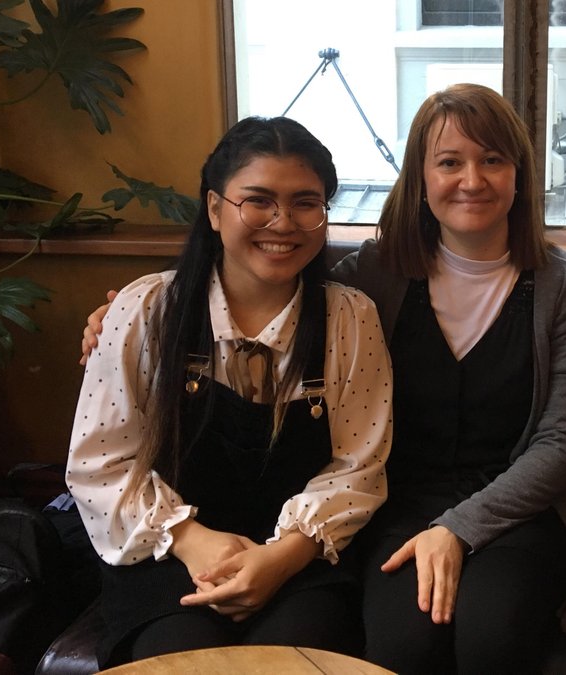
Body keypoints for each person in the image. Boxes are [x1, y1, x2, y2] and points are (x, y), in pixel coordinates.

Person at [81, 84, 566, 673]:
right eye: (449, 162)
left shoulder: (558, 286)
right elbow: (107, 455)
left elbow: (561, 439)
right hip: (396, 507)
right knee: (400, 649)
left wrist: (456, 530)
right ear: (419, 177)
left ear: (520, 174)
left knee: (493, 636)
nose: (472, 179)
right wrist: (112, 324)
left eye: (493, 159)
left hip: (515, 510)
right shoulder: (374, 277)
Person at [67, 116, 392, 668]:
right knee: (177, 657)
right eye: (257, 200)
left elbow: (358, 466)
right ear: (216, 209)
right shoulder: (147, 311)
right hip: (163, 552)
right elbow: (101, 464)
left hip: (299, 556)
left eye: (305, 203)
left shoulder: (349, 317)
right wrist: (196, 541)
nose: (282, 222)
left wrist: (282, 558)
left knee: (300, 656)